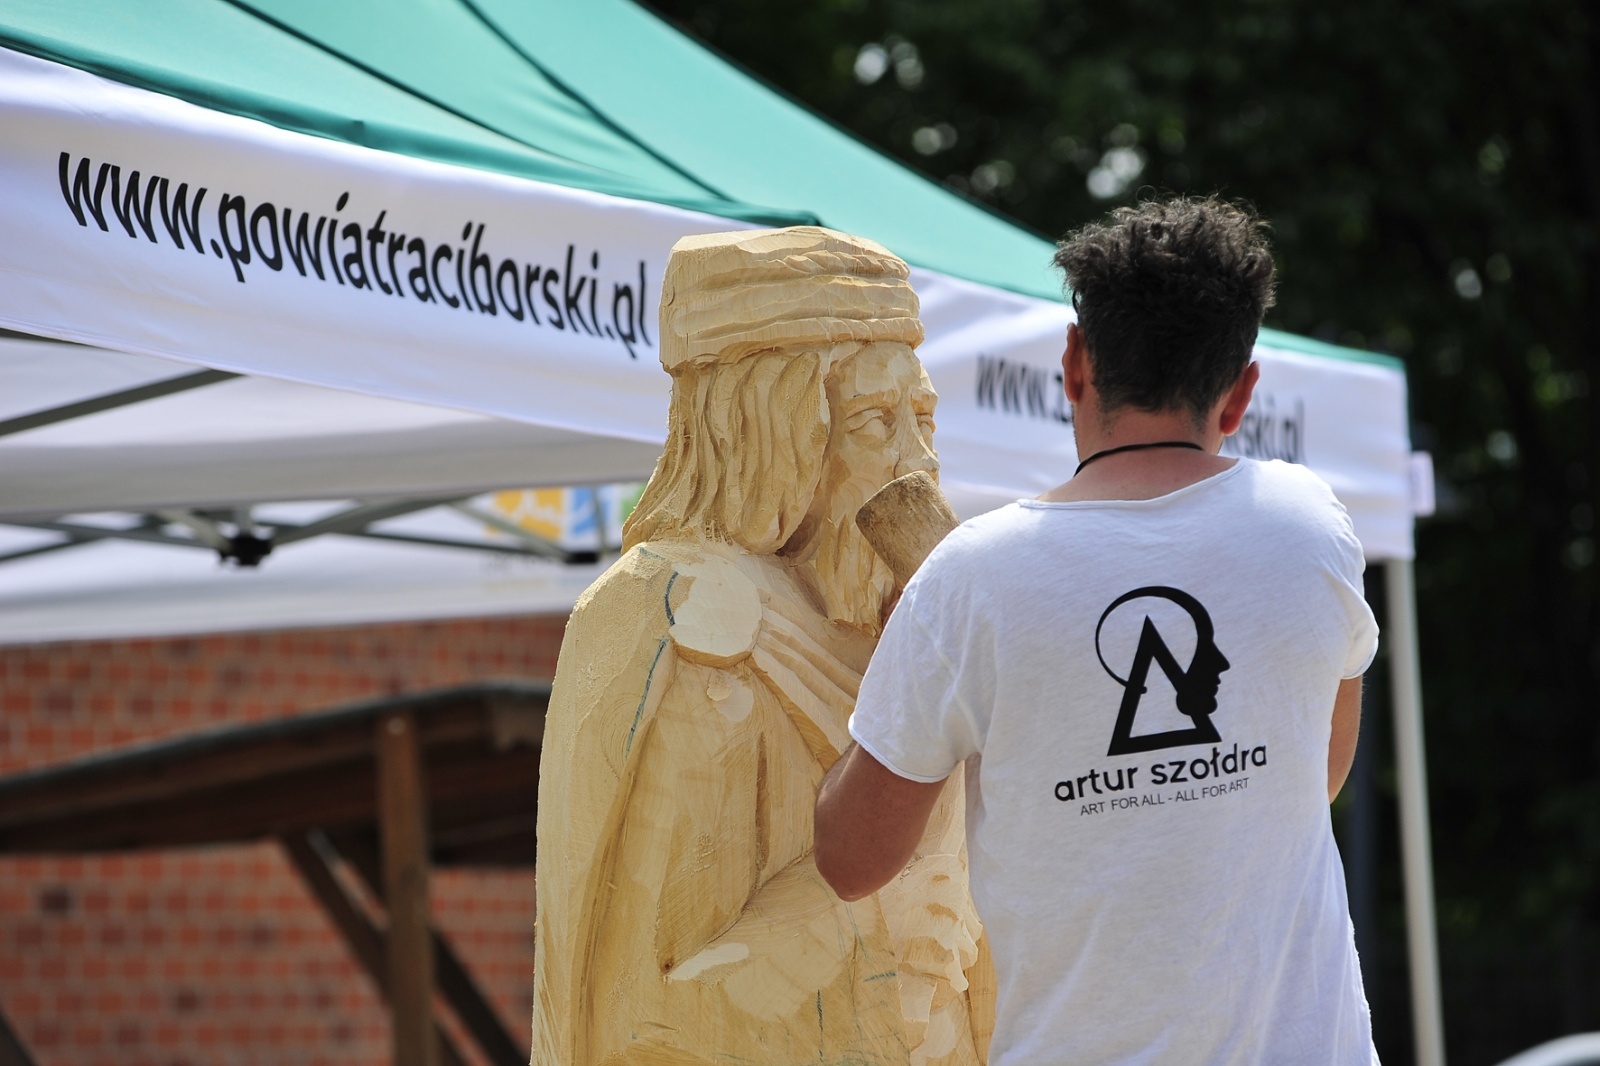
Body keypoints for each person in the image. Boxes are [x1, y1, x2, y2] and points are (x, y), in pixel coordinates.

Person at [815, 197, 1380, 1064]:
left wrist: (897, 674)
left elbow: (850, 858)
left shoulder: (970, 581)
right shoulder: (1311, 529)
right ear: (1242, 392)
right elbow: (1317, 775)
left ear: (1074, 364)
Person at [531, 227, 991, 1066]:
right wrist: (865, 916)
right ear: (773, 435)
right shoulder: (686, 621)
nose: (915, 464)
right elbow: (643, 1010)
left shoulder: (901, 627)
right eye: (873, 423)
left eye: (920, 418)